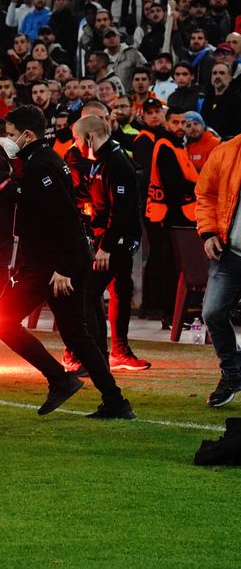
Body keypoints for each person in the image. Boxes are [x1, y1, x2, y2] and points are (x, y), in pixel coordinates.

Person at [0, 105, 135, 419]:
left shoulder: (41, 165)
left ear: (28, 135)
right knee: (76, 335)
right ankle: (115, 402)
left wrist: (64, 268)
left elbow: (65, 218)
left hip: (52, 264)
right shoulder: (40, 161)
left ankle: (60, 379)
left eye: (12, 134)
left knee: (0, 321)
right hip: (55, 260)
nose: (7, 139)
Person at [71, 115, 150, 371]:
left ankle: (95, 357)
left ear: (89, 137)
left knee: (88, 293)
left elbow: (123, 210)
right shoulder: (101, 160)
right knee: (107, 292)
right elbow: (95, 197)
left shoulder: (116, 162)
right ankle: (105, 354)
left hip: (114, 242)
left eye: (76, 140)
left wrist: (106, 246)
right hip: (107, 237)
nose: (75, 145)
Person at [195, 134, 241, 406]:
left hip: (230, 250)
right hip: (230, 251)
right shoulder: (226, 152)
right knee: (212, 312)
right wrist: (208, 231)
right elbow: (205, 193)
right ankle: (232, 372)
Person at [144, 108, 199, 327]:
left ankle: (165, 311)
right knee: (168, 266)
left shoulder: (176, 146)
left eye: (183, 123)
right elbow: (174, 184)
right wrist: (200, 187)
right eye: (175, 122)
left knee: (167, 265)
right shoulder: (166, 145)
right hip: (168, 215)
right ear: (166, 123)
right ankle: (167, 312)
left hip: (172, 214)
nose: (180, 127)